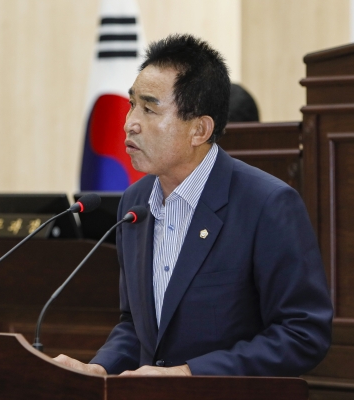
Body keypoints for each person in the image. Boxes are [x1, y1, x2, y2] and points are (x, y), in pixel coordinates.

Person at [55, 34, 332, 377]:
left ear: (199, 129)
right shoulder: (135, 201)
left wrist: (188, 374)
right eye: (131, 104)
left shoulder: (267, 204)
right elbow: (135, 325)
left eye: (149, 109)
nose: (129, 123)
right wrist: (100, 368)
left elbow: (303, 334)